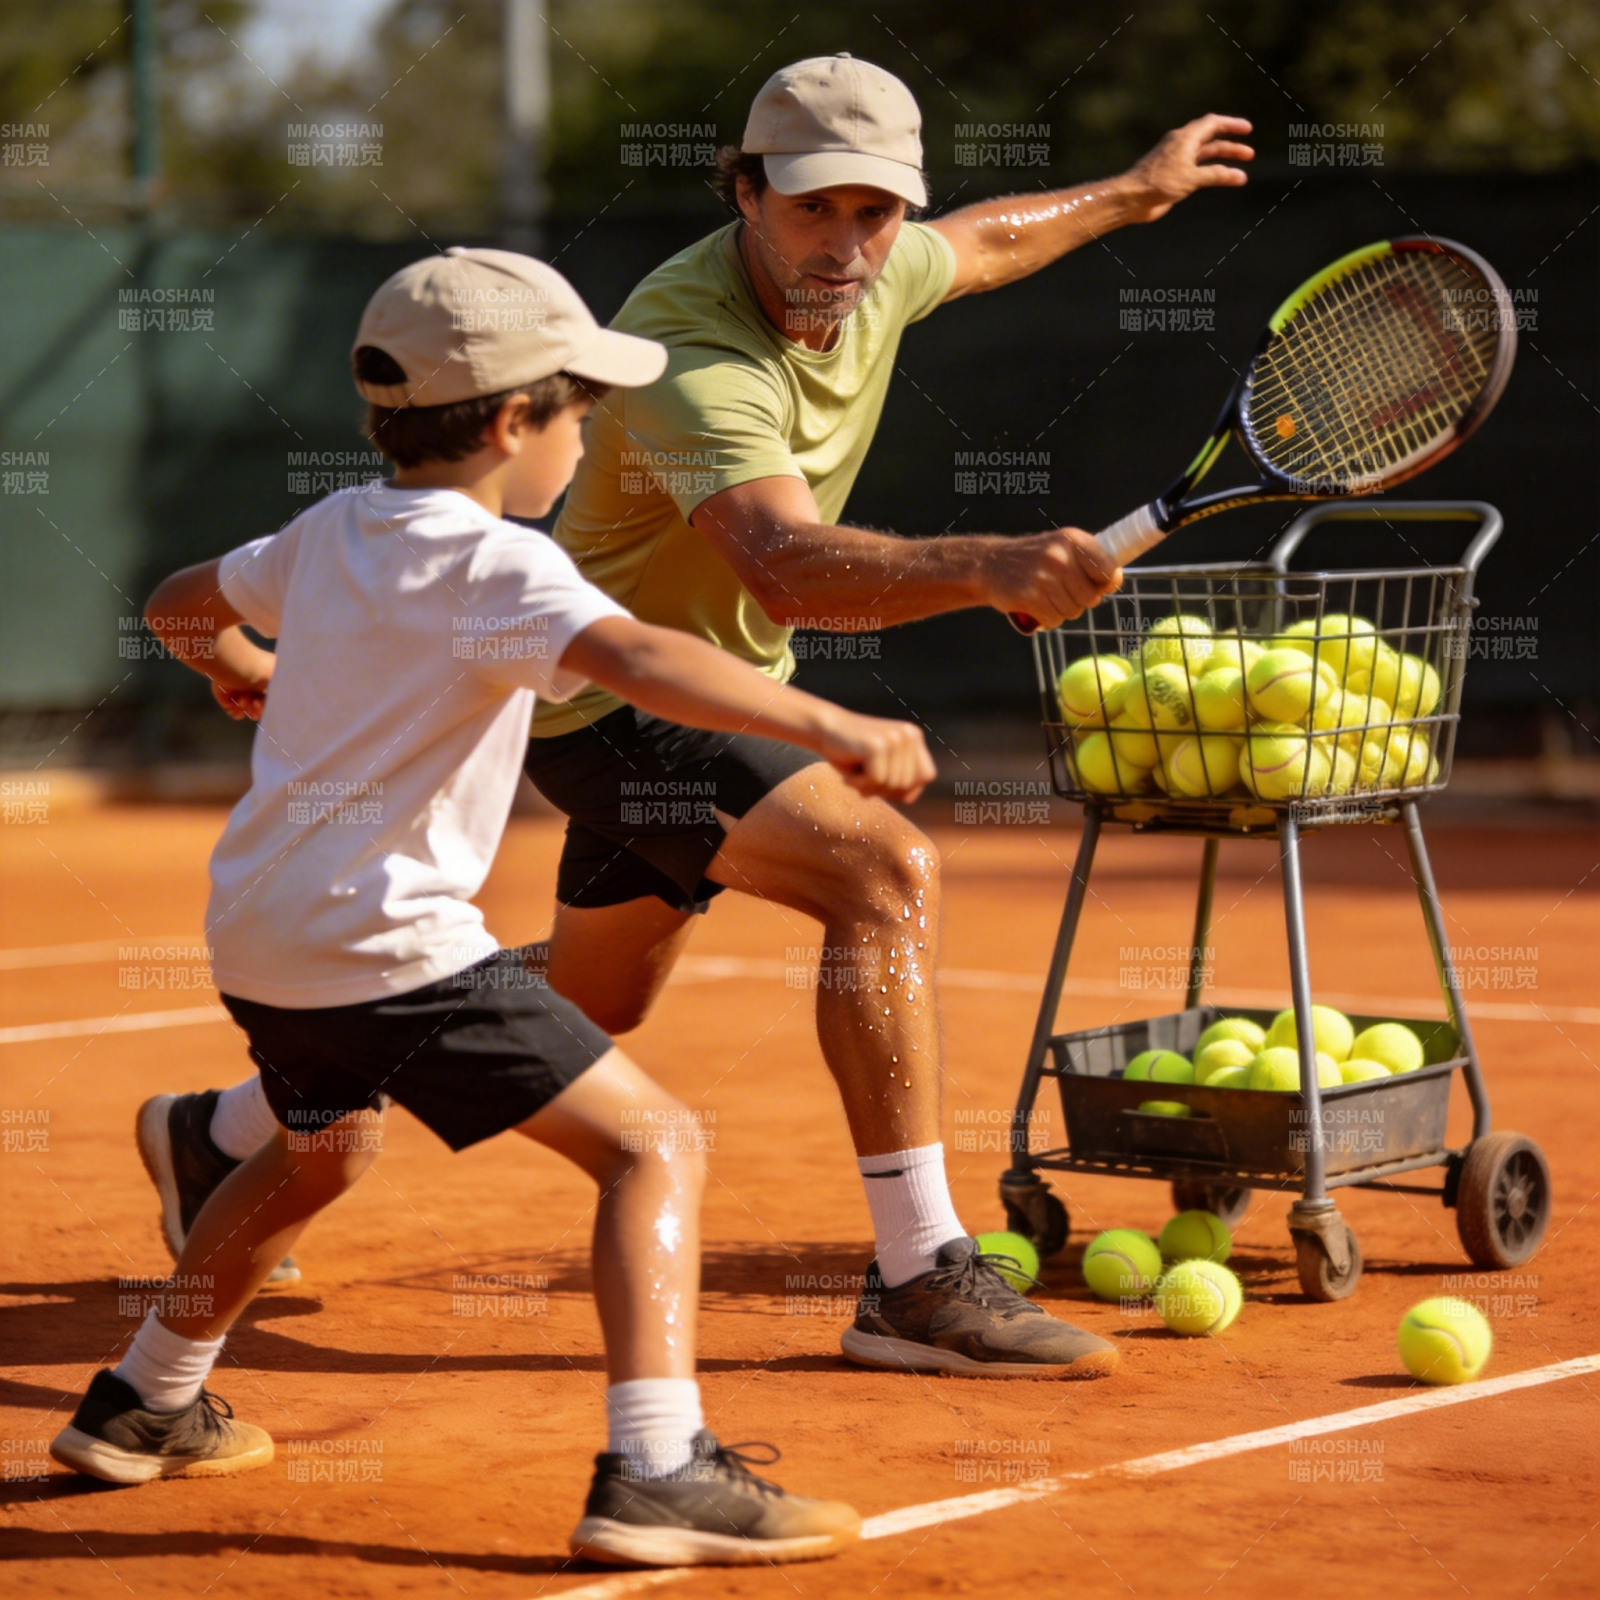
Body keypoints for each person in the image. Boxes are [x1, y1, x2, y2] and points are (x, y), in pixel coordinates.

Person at [139, 56, 1252, 1379]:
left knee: (592, 1008)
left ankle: (218, 1130)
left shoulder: (880, 264)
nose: (847, 246)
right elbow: (787, 568)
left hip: (699, 691)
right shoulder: (685, 352)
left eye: (874, 212)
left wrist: (1133, 192)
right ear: (744, 192)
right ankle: (921, 1276)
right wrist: (988, 566)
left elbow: (984, 243)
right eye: (813, 210)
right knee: (885, 873)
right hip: (619, 699)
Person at [53, 248, 944, 1567]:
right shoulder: (501, 566)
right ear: (519, 422)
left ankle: (143, 1403)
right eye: (581, 411)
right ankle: (657, 1470)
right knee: (653, 1149)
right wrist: (831, 721)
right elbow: (642, 657)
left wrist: (241, 666)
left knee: (313, 1150)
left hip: (260, 931)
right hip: (388, 947)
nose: (587, 437)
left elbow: (182, 607)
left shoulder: (325, 533)